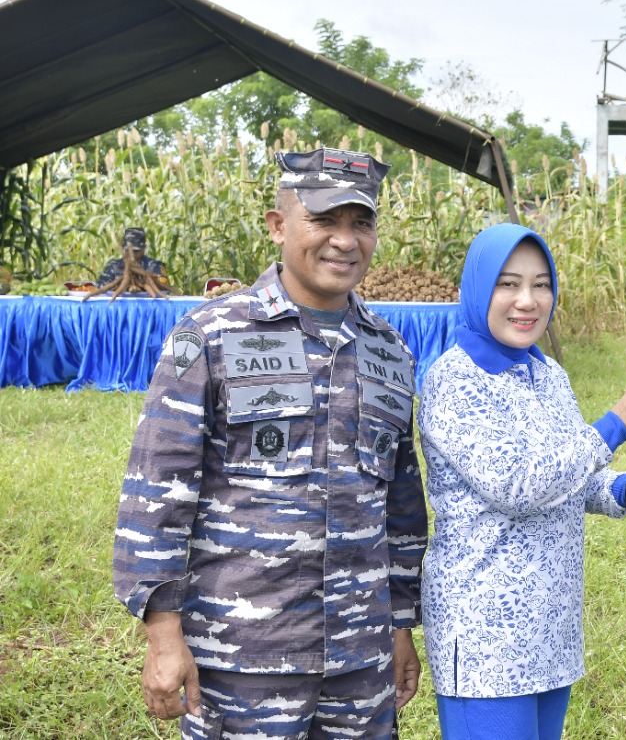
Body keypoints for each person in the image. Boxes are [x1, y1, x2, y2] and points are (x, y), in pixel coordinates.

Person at [112, 147, 429, 739]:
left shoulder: (389, 351)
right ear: (278, 225)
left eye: (361, 222)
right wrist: (162, 634)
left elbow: (401, 508)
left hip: (360, 660)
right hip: (241, 655)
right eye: (325, 220)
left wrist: (400, 627)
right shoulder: (212, 336)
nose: (344, 240)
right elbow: (157, 491)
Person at [417, 222, 626, 740]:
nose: (528, 300)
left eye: (542, 284)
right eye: (508, 283)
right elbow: (519, 487)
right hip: (486, 637)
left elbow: (574, 478)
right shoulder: (454, 381)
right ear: (477, 289)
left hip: (548, 630)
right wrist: (615, 424)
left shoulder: (548, 374)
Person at [96, 226, 170, 288]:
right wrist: (125, 285)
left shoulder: (155, 265)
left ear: (144, 248)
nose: (132, 255)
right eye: (128, 250)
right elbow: (100, 286)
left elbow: (164, 285)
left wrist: (141, 285)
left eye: (136, 251)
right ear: (123, 248)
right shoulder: (113, 266)